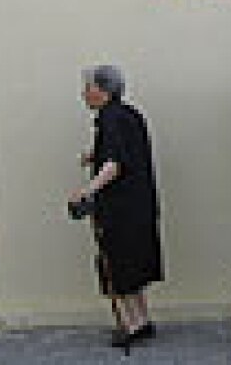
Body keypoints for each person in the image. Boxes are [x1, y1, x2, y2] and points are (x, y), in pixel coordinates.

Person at [70, 65, 164, 350]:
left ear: (102, 91)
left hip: (122, 209)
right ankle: (142, 320)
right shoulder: (127, 114)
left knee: (120, 267)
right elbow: (121, 154)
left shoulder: (111, 119)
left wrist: (86, 190)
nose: (84, 93)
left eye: (88, 87)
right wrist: (94, 155)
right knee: (132, 266)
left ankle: (133, 325)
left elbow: (114, 165)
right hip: (138, 206)